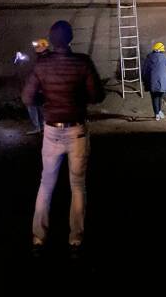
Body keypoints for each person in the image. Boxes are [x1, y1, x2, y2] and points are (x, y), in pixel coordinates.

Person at [22, 20, 105, 257]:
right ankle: (75, 241)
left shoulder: (42, 65)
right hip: (76, 130)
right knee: (78, 186)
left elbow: (27, 98)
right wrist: (77, 98)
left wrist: (47, 103)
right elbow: (97, 95)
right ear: (70, 39)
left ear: (51, 39)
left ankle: (38, 239)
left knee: (46, 184)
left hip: (51, 130)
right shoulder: (83, 63)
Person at [142, 42, 166, 120]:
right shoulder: (163, 57)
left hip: (152, 82)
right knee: (159, 97)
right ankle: (158, 112)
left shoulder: (148, 58)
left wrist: (144, 81)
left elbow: (144, 71)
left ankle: (157, 113)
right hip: (161, 83)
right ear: (160, 50)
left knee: (154, 98)